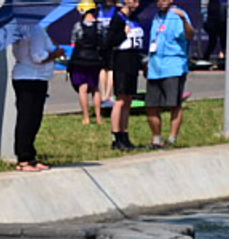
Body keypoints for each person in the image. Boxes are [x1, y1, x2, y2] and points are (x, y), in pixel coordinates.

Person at [10, 21, 61, 170]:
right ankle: (23, 158)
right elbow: (38, 56)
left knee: (32, 118)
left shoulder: (21, 28)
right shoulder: (34, 29)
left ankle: (29, 155)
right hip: (32, 76)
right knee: (28, 118)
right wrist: (55, 54)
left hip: (28, 76)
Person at [144, 0, 191, 148]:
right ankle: (157, 138)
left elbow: (189, 35)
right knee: (151, 105)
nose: (162, 2)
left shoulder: (178, 15)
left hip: (173, 66)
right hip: (155, 67)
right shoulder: (156, 17)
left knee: (174, 104)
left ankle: (172, 138)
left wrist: (184, 19)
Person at [105, 0, 145, 149]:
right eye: (133, 0)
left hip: (133, 59)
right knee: (121, 98)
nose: (136, 3)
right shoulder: (118, 18)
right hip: (122, 59)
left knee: (129, 98)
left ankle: (125, 133)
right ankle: (116, 137)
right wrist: (123, 33)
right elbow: (109, 41)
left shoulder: (134, 18)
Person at [69, 0, 107, 123]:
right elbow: (103, 41)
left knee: (83, 88)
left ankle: (86, 117)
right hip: (95, 59)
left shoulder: (78, 26)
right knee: (95, 88)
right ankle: (99, 117)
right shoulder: (100, 26)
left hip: (80, 60)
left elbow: (73, 41)